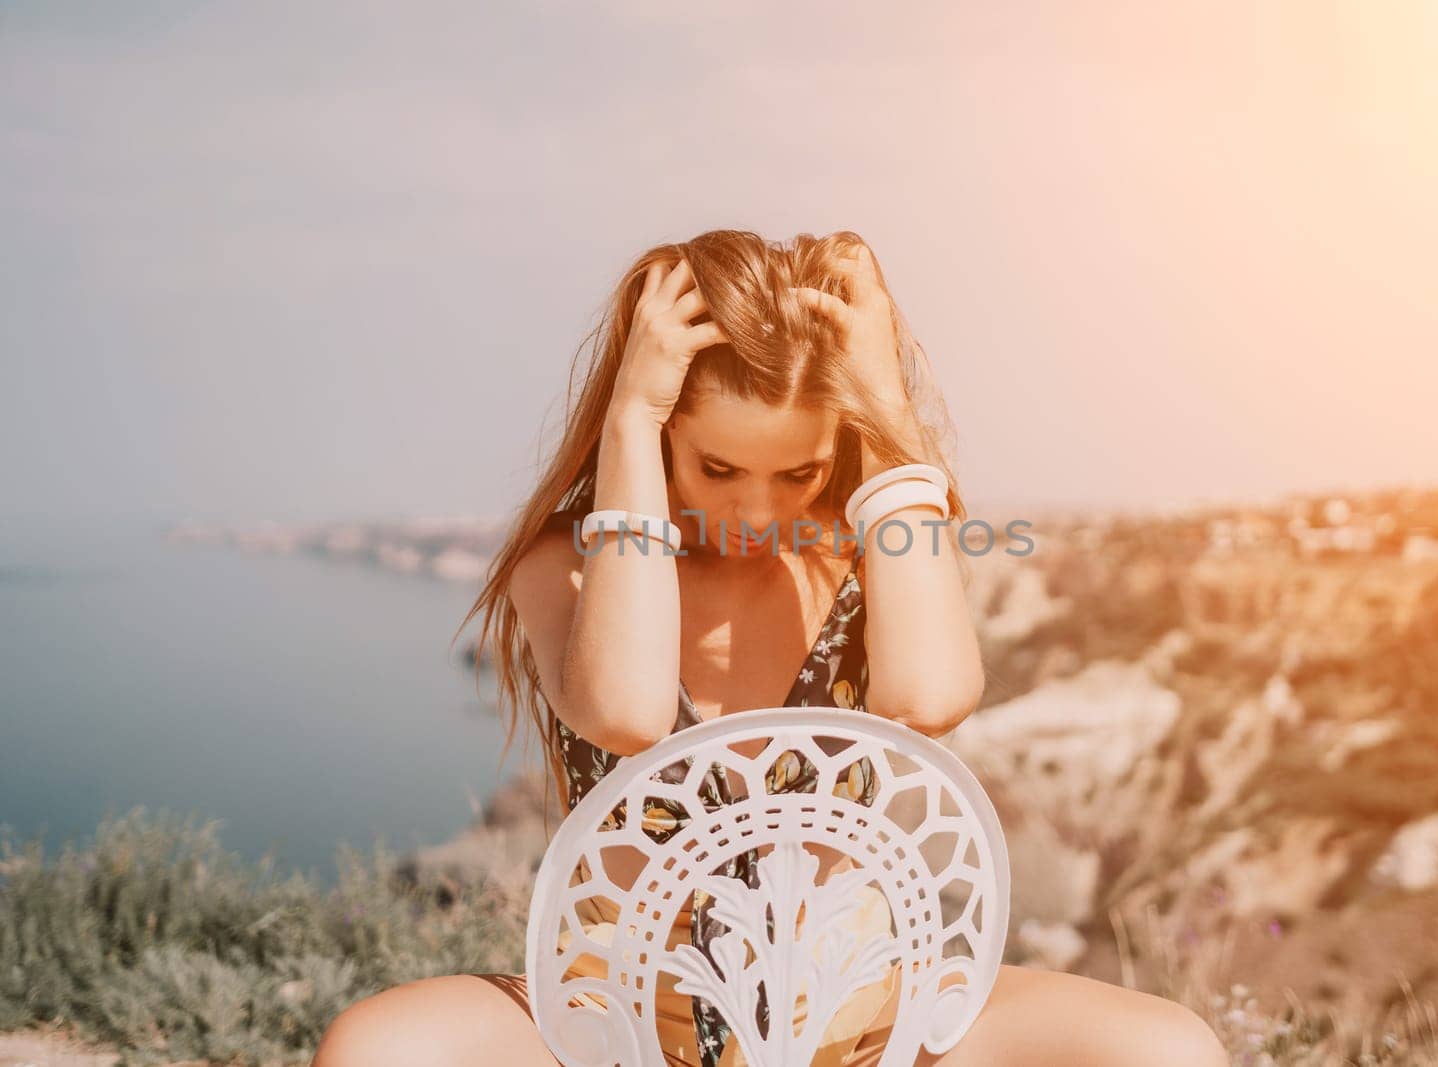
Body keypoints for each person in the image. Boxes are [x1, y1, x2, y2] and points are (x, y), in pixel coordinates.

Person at [311, 230, 1229, 1066]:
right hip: (618, 1028)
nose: (758, 511)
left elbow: (933, 696)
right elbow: (626, 711)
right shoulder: (571, 564)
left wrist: (886, 407)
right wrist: (628, 421)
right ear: (666, 431)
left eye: (801, 471)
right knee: (372, 1049)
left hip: (872, 1019)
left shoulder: (864, 553)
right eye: (718, 468)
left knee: (1172, 1050)